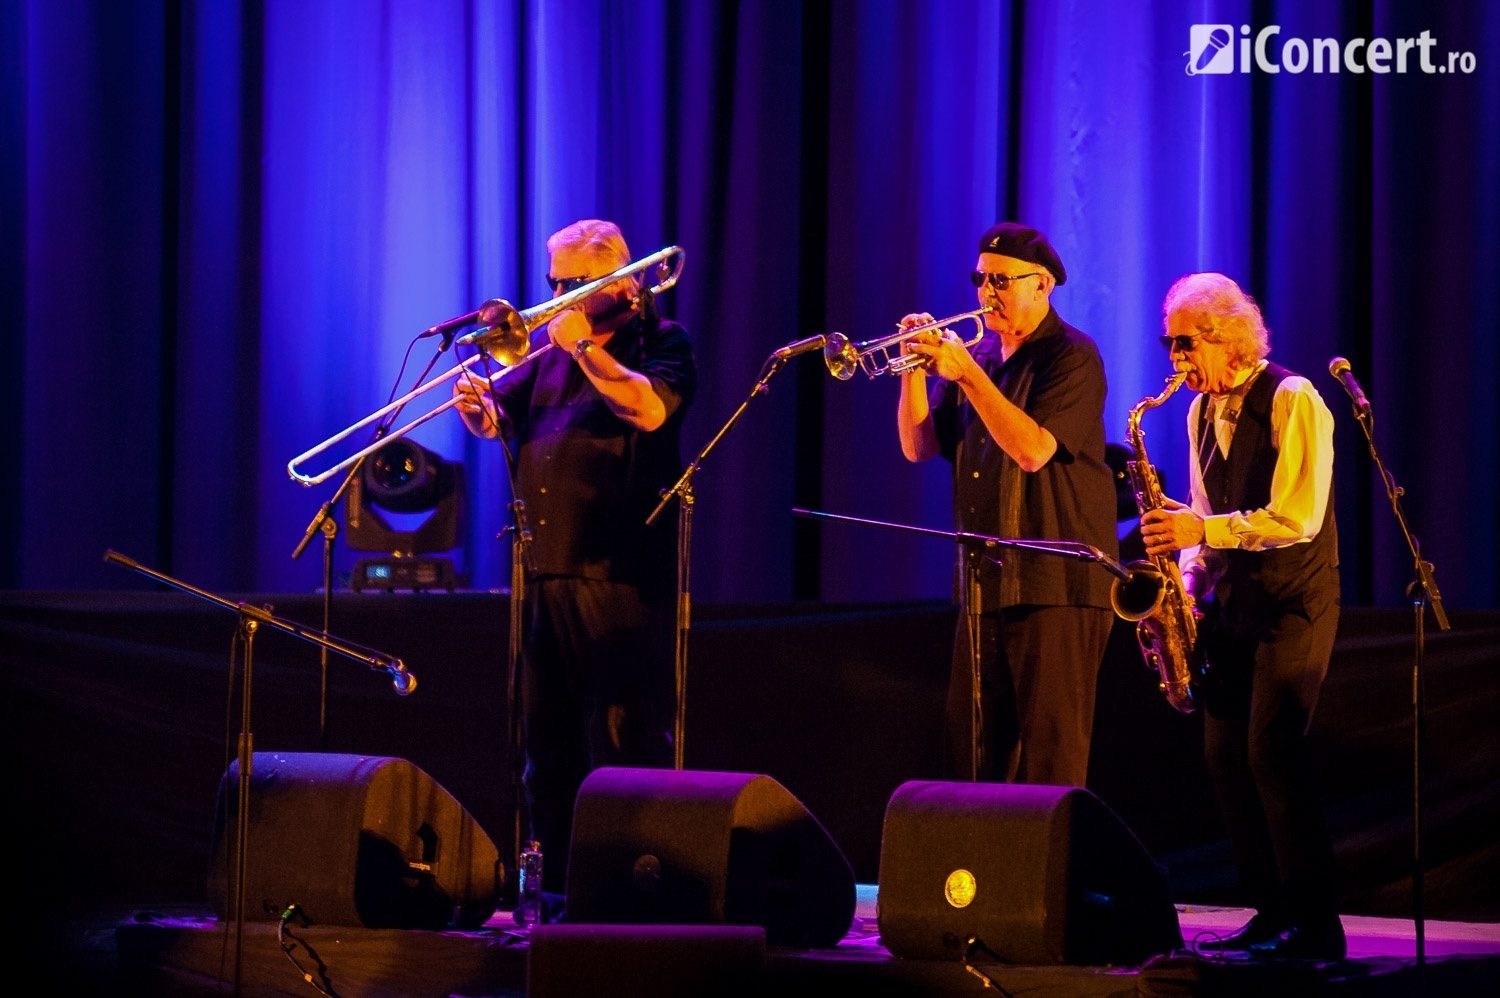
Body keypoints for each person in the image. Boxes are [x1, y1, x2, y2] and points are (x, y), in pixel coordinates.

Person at [453, 219, 695, 896]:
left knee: (625, 740)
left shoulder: (663, 343)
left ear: (617, 280)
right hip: (547, 571)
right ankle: (555, 886)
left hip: (621, 576)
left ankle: (632, 886)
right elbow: (497, 421)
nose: (554, 296)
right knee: (548, 749)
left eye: (570, 285)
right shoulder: (543, 356)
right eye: (552, 283)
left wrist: (585, 346)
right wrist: (475, 408)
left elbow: (646, 410)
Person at [1139, 272, 1344, 960]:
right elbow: (1203, 514)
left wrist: (1203, 534)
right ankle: (1270, 911)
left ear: (1225, 337)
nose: (1175, 361)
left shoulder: (1294, 398)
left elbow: (1297, 518)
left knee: (1273, 753)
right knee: (1224, 756)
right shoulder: (1199, 413)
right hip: (1232, 606)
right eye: (1169, 346)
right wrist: (1186, 583)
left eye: (1183, 345)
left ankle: (1318, 927)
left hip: (1295, 601)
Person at [896, 222, 1117, 788]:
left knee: (1051, 762)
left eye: (1000, 280)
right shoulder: (983, 355)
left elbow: (1034, 450)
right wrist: (913, 375)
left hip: (1056, 585)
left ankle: (1055, 877)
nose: (986, 292)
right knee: (970, 759)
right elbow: (920, 447)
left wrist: (967, 375)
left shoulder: (1072, 356)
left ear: (1042, 285)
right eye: (980, 278)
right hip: (986, 584)